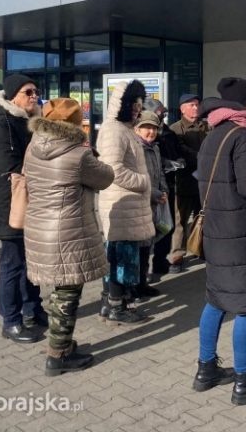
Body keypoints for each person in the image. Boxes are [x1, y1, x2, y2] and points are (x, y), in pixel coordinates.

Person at [192, 77, 246, 406]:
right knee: (245, 306)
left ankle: (205, 370)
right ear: (245, 104)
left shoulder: (214, 133)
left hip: (216, 229)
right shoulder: (244, 134)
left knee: (216, 299)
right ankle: (244, 380)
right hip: (241, 232)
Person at [23, 98, 114, 376]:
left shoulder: (33, 146)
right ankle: (57, 355)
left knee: (59, 289)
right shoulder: (78, 154)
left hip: (40, 227)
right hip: (68, 229)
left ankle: (61, 342)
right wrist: (93, 154)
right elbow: (105, 178)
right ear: (76, 124)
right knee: (68, 292)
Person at [0, 74, 47, 343]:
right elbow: (11, 166)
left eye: (36, 92)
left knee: (31, 260)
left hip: (32, 201)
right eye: (28, 92)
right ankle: (10, 320)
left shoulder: (29, 122)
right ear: (13, 97)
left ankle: (33, 309)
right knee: (13, 263)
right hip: (10, 206)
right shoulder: (1, 125)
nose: (34, 96)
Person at [96, 80, 155, 325]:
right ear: (120, 103)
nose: (136, 109)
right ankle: (117, 307)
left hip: (128, 204)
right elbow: (113, 170)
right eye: (132, 103)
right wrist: (143, 182)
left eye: (139, 105)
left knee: (122, 256)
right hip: (121, 203)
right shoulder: (114, 130)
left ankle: (113, 303)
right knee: (121, 258)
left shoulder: (124, 128)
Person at [169, 93, 209, 272]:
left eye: (197, 104)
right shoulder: (175, 129)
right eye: (191, 105)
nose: (195, 107)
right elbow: (179, 149)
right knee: (180, 221)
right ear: (182, 108)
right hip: (184, 182)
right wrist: (201, 156)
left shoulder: (207, 126)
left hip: (203, 182)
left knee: (204, 217)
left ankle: (201, 248)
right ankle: (177, 255)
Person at [145, 98, 183, 278]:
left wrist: (178, 161)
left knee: (166, 225)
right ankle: (141, 275)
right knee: (146, 231)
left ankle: (160, 262)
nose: (162, 116)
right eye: (160, 113)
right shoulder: (139, 135)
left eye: (163, 113)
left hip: (167, 185)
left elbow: (177, 151)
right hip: (146, 189)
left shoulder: (167, 133)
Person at [134, 110, 168, 297]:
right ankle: (134, 287)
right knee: (138, 248)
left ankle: (142, 284)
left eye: (154, 128)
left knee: (147, 246)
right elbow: (137, 178)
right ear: (137, 129)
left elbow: (159, 172)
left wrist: (164, 190)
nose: (150, 132)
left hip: (154, 203)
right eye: (146, 127)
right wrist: (154, 193)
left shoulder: (154, 147)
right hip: (139, 205)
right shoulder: (135, 148)